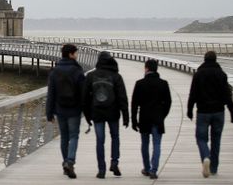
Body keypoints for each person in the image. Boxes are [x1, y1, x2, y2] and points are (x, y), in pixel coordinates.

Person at [187, 51, 233, 178]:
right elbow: (227, 94)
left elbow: (193, 93)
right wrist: (232, 112)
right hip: (219, 111)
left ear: (204, 59)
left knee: (201, 138)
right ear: (215, 60)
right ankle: (213, 168)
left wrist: (189, 109)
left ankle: (205, 156)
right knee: (216, 139)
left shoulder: (198, 74)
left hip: (203, 112)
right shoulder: (221, 74)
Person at [83, 51, 129, 179]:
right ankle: (114, 162)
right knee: (115, 137)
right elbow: (122, 97)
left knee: (100, 141)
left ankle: (101, 169)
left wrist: (87, 116)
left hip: (97, 113)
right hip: (113, 112)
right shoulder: (116, 76)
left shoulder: (91, 76)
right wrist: (126, 116)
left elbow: (85, 98)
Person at [46, 43, 86, 179]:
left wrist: (49, 113)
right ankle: (70, 161)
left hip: (60, 109)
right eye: (76, 53)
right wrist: (86, 110)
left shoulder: (55, 71)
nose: (77, 55)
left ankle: (65, 163)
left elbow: (51, 93)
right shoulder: (77, 70)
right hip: (74, 109)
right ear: (70, 54)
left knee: (64, 137)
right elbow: (83, 92)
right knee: (74, 136)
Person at [131, 58, 172, 179]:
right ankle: (154, 170)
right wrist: (162, 115)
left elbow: (134, 104)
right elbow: (168, 102)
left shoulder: (140, 83)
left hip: (144, 118)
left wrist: (134, 120)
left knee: (145, 144)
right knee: (157, 144)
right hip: (158, 118)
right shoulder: (163, 83)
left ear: (147, 68)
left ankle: (147, 168)